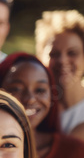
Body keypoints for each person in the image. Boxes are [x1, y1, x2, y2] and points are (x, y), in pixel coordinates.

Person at [36, 10, 84, 140]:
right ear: (40, 58)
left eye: (72, 53)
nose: (62, 60)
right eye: (54, 54)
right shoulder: (33, 107)